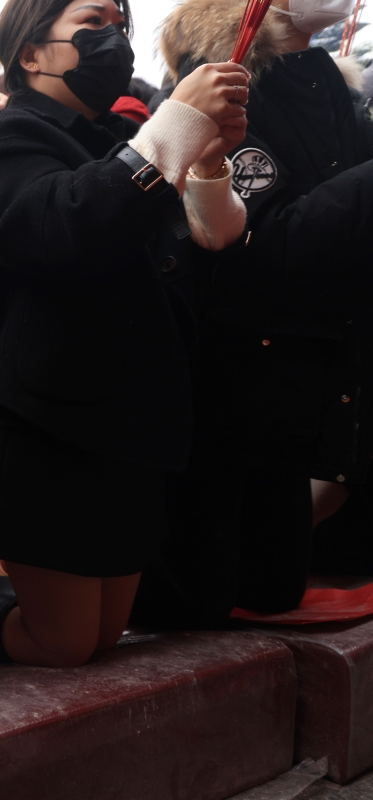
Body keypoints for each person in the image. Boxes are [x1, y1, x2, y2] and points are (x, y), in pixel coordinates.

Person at [0, 0, 250, 668]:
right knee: (61, 642)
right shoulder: (2, 140)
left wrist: (206, 164)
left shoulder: (120, 142)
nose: (112, 40)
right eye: (91, 24)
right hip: (50, 426)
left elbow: (206, 245)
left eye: (118, 27)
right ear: (30, 53)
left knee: (102, 636)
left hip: (132, 423)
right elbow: (67, 224)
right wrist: (174, 124)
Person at [133, 0, 373, 627]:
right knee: (196, 605)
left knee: (274, 589)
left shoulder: (329, 87)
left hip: (307, 394)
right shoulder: (227, 83)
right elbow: (266, 245)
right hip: (230, 396)